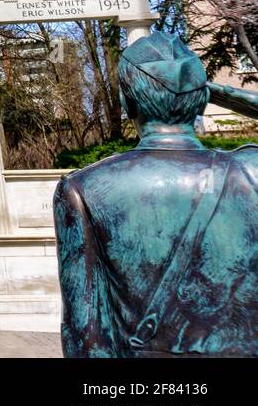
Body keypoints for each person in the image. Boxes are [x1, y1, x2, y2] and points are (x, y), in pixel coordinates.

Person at [53, 32, 258, 357]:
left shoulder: (83, 189)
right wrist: (226, 95)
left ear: (125, 103)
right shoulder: (252, 169)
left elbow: (85, 336)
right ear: (203, 99)